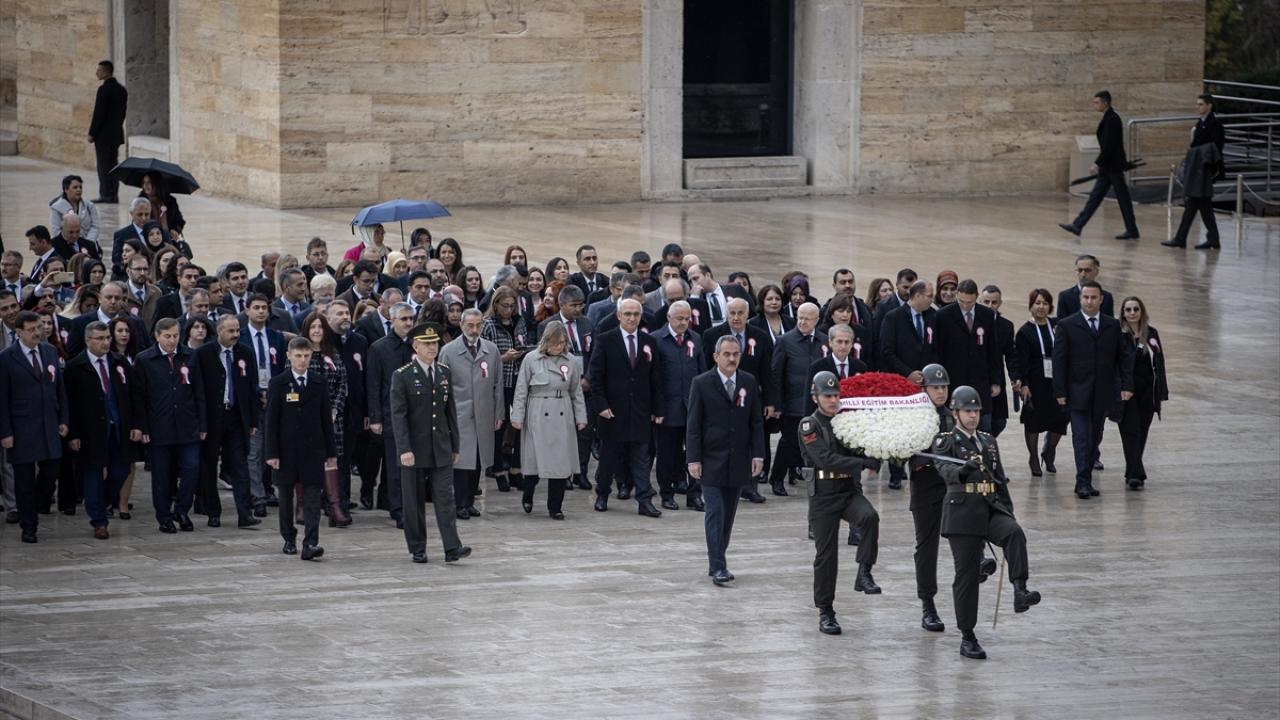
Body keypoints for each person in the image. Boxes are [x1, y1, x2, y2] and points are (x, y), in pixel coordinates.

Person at [934, 386, 1042, 660]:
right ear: (956, 412)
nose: (972, 416)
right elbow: (945, 471)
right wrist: (963, 470)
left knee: (1014, 533)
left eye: (976, 411)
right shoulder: (945, 441)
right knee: (967, 576)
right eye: (967, 411)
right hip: (962, 514)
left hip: (990, 507)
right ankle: (967, 635)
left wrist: (1008, 512)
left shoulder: (988, 440)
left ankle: (1020, 590)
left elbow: (1000, 479)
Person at [799, 371, 881, 636]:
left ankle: (864, 572)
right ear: (816, 397)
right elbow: (825, 460)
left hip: (847, 491)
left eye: (836, 395)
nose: (833, 400)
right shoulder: (809, 426)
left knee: (869, 517)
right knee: (826, 557)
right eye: (827, 395)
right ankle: (826, 611)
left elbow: (861, 446)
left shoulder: (849, 422)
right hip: (823, 496)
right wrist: (862, 463)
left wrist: (877, 450)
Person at [390, 323, 472, 564]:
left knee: (446, 498)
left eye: (435, 343)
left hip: (440, 447)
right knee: (413, 501)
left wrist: (455, 445)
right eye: (426, 344)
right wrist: (404, 449)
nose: (432, 348)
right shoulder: (403, 375)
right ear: (415, 346)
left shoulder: (444, 372)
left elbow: (450, 412)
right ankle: (417, 547)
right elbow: (399, 416)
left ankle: (452, 547)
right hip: (414, 448)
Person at [687, 335, 764, 586]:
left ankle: (716, 558)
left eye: (736, 354)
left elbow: (755, 422)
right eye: (727, 354)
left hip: (738, 459)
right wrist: (693, 459)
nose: (732, 359)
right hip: (710, 459)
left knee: (728, 514)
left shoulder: (748, 382)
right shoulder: (701, 383)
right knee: (715, 512)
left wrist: (758, 454)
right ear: (716, 356)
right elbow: (694, 425)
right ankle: (719, 566)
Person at [1052, 281, 1134, 499]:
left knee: (1095, 437)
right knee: (1081, 437)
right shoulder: (1067, 325)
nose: (1089, 301)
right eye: (1085, 297)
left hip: (1102, 393)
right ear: (1080, 300)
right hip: (1077, 392)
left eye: (1093, 297)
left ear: (1101, 299)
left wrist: (1126, 386)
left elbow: (1122, 358)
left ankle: (1086, 477)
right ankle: (1082, 482)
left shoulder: (1112, 325)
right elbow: (1059, 361)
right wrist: (1059, 391)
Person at [587, 298, 664, 517]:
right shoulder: (605, 340)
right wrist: (601, 405)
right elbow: (596, 376)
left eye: (636, 314)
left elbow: (655, 378)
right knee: (609, 458)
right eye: (627, 314)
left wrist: (658, 409)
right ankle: (602, 493)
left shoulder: (649, 341)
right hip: (612, 411)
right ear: (619, 316)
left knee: (641, 458)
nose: (632, 318)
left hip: (640, 411)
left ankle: (644, 500)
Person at [265, 337, 337, 561]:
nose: (302, 360)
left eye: (306, 356)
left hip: (313, 449)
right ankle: (289, 537)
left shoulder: (318, 382)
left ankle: (311, 541)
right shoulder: (278, 382)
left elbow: (326, 419)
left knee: (313, 497)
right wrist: (272, 453)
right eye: (298, 356)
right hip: (286, 450)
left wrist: (331, 453)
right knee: (286, 497)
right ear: (289, 356)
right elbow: (272, 420)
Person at [0, 310, 69, 543]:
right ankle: (28, 526)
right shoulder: (7, 358)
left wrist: (63, 420)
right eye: (31, 330)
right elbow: (2, 398)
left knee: (51, 471)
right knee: (24, 480)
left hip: (49, 423)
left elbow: (60, 390)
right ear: (18, 333)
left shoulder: (49, 352)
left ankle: (38, 505)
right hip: (21, 427)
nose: (37, 333)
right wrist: (6, 432)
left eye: (39, 327)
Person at [133, 317, 206, 533]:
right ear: (157, 336)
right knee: (162, 475)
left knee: (192, 468)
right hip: (159, 426)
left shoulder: (190, 356)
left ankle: (182, 509)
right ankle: (163, 515)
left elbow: (199, 392)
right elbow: (139, 397)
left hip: (188, 424)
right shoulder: (145, 359)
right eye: (167, 337)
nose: (172, 341)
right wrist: (143, 427)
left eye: (175, 336)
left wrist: (202, 424)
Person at [510, 320, 587, 519]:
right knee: (534, 462)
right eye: (554, 343)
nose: (557, 347)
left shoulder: (570, 361)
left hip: (562, 412)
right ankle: (528, 494)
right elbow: (521, 390)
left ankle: (555, 506)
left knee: (560, 465)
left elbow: (576, 391)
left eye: (561, 343)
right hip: (538, 411)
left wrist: (581, 417)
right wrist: (517, 416)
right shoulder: (531, 359)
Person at [703, 297, 772, 503]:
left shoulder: (759, 336)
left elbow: (767, 371)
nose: (736, 317)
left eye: (740, 313)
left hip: (750, 397)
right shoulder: (712, 335)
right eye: (732, 313)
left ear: (747, 314)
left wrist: (770, 401)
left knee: (750, 439)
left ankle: (749, 486)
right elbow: (706, 369)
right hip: (719, 398)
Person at [194, 315, 259, 529]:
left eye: (237, 330)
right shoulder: (204, 354)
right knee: (209, 465)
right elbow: (198, 391)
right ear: (219, 331)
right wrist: (201, 423)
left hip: (236, 417)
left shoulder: (245, 352)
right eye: (230, 331)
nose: (235, 335)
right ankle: (213, 511)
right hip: (213, 418)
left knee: (240, 465)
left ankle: (245, 513)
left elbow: (252, 388)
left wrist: (253, 420)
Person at [438, 308, 503, 519]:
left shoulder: (491, 350)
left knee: (478, 460)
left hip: (484, 412)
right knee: (461, 460)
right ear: (461, 325)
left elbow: (498, 385)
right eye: (470, 325)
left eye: (478, 325)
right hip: (459, 414)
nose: (474, 330)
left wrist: (499, 413)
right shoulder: (448, 351)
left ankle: (471, 501)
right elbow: (442, 388)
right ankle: (460, 503)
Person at [878, 280, 938, 488]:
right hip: (900, 382)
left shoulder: (933, 316)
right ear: (918, 296)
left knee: (922, 427)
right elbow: (886, 350)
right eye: (930, 295)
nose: (932, 299)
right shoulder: (893, 317)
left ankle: (921, 468)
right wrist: (907, 373)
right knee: (899, 428)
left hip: (926, 382)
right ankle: (896, 473)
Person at [1059, 89, 1140, 240]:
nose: (1094, 105)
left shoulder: (1112, 119)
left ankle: (1132, 229)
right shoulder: (1108, 118)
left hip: (1113, 166)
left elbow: (1110, 146)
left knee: (1123, 199)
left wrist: (1097, 163)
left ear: (1105, 103)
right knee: (1095, 197)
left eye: (1097, 102)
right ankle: (1078, 225)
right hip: (1108, 167)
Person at [652, 301, 707, 511]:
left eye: (687, 319)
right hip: (668, 407)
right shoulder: (657, 340)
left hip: (692, 406)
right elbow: (654, 378)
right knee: (666, 453)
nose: (684, 323)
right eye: (680, 319)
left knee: (695, 452)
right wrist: (656, 409)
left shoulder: (696, 339)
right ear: (669, 318)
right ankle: (667, 493)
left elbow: (703, 373)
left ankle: (695, 494)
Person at [767, 302, 827, 496]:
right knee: (789, 441)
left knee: (816, 442)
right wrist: (776, 403)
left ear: (817, 320)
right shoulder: (785, 341)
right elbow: (776, 374)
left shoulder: (824, 341)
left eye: (807, 318)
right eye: (800, 317)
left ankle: (812, 478)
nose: (802, 321)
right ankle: (777, 478)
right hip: (793, 402)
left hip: (817, 403)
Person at [301, 312, 353, 528]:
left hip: (333, 419)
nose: (316, 331)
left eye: (320, 327)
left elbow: (343, 385)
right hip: (308, 419)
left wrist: (334, 410)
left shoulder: (333, 354)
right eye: (313, 327)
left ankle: (334, 507)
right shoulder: (300, 354)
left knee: (332, 460)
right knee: (307, 462)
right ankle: (303, 506)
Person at [367, 302, 416, 527]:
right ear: (393, 321)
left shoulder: (417, 346)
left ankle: (409, 505)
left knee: (411, 465)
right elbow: (374, 384)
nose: (408, 323)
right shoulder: (379, 348)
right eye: (403, 319)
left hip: (416, 415)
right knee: (395, 466)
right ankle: (398, 509)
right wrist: (375, 417)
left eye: (410, 319)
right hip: (390, 415)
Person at [239, 293, 287, 515]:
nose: (260, 311)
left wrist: (274, 391)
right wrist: (257, 391)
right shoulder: (241, 337)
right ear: (247, 310)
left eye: (264, 307)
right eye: (256, 307)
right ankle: (256, 495)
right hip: (252, 398)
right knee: (254, 449)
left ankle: (267, 488)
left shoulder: (275, 337)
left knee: (272, 445)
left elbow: (281, 368)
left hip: (274, 397)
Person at [481, 286, 531, 492]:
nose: (509, 310)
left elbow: (523, 342)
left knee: (519, 424)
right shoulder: (488, 325)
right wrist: (503, 358)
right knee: (499, 428)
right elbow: (483, 360)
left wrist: (523, 352)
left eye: (512, 306)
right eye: (505, 306)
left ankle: (516, 469)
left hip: (518, 380)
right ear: (496, 304)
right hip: (498, 383)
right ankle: (499, 469)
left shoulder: (519, 322)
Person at [934, 279, 1001, 431]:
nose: (965, 306)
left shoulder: (987, 315)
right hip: (954, 380)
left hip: (981, 380)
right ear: (957, 296)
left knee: (984, 426)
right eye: (961, 301)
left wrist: (995, 381)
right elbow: (938, 352)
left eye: (969, 302)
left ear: (976, 297)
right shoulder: (944, 316)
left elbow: (993, 351)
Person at [1163, 93, 1228, 250]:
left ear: (1209, 105)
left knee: (1194, 204)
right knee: (1202, 206)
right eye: (1197, 104)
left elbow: (1216, 147)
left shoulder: (1215, 124)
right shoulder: (1200, 124)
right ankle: (1211, 239)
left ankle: (1182, 238)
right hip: (1197, 171)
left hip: (1204, 171)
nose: (1198, 107)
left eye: (1201, 104)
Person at [1117, 297, 1168, 490]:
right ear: (1123, 313)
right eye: (1128, 310)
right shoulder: (1119, 335)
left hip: (1147, 390)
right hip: (1126, 392)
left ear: (1141, 311)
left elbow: (1160, 363)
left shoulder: (1151, 334)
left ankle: (1132, 469)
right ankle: (1135, 474)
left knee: (1142, 431)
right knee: (1130, 431)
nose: (1132, 313)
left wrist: (1162, 390)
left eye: (1135, 309)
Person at [1015, 289, 1067, 477]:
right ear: (1031, 306)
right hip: (1036, 382)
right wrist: (1024, 384)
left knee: (1060, 420)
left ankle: (1050, 449)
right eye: (1037, 303)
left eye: (1045, 303)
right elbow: (1022, 361)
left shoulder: (1058, 326)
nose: (1041, 307)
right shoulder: (1024, 332)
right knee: (1033, 421)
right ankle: (1034, 457)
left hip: (1058, 382)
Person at [979, 285, 1019, 438]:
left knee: (999, 421)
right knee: (984, 422)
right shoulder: (973, 323)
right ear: (980, 301)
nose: (990, 306)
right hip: (978, 377)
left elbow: (1011, 354)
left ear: (1000, 303)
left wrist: (1015, 377)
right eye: (986, 302)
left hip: (997, 377)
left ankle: (986, 446)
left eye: (994, 302)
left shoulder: (1006, 326)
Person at [87, 60, 127, 204]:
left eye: (99, 70)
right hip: (115, 134)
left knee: (104, 166)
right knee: (113, 165)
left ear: (106, 71)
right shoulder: (121, 90)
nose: (97, 73)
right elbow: (122, 113)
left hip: (103, 136)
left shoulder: (104, 90)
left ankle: (106, 194)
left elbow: (99, 114)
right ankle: (113, 194)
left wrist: (92, 133)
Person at [1057, 254, 1115, 319]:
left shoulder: (1107, 297)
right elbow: (1061, 325)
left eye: (1087, 270)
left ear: (1096, 272)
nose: (1083, 274)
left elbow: (1110, 324)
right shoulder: (1065, 296)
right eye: (1080, 270)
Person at [50, 175, 101, 247]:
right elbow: (56, 231)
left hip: (88, 245)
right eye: (75, 187)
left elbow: (95, 226)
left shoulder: (90, 206)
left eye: (80, 187)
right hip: (65, 247)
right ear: (66, 189)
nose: (79, 190)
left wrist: (88, 242)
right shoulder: (56, 208)